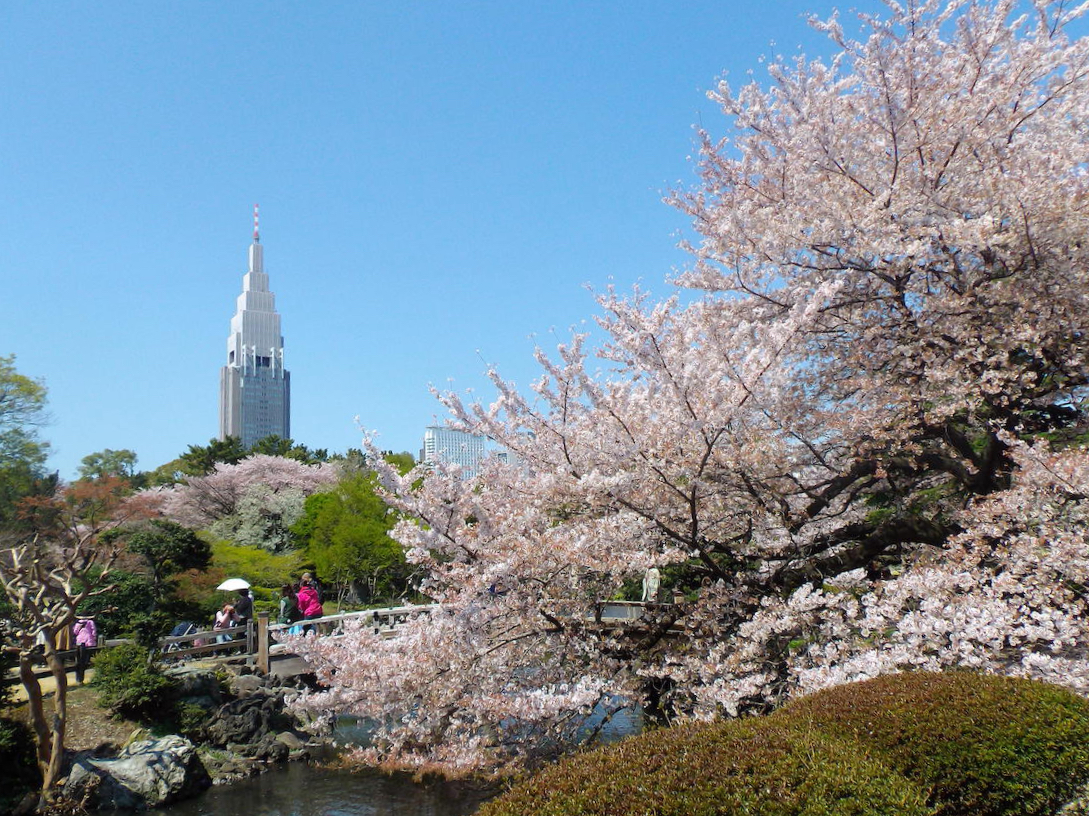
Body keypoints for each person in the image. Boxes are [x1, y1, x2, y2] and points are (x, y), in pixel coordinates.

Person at [72, 616, 97, 684]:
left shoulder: (77, 623)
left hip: (79, 641)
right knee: (86, 660)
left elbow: (75, 632)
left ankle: (79, 678)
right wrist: (94, 637)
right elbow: (93, 631)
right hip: (89, 641)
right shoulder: (90, 622)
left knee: (79, 660)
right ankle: (81, 677)